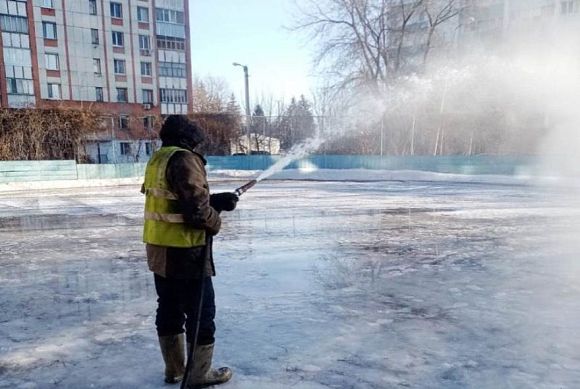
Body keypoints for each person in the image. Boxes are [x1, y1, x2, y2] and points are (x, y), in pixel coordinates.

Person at [142, 115, 238, 387]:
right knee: (201, 312)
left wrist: (215, 201)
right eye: (196, 143)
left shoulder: (159, 158)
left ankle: (174, 370)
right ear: (187, 140)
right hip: (185, 251)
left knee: (169, 307)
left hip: (159, 249)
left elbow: (173, 199)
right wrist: (215, 219)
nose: (198, 149)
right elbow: (196, 211)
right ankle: (198, 374)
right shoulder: (184, 159)